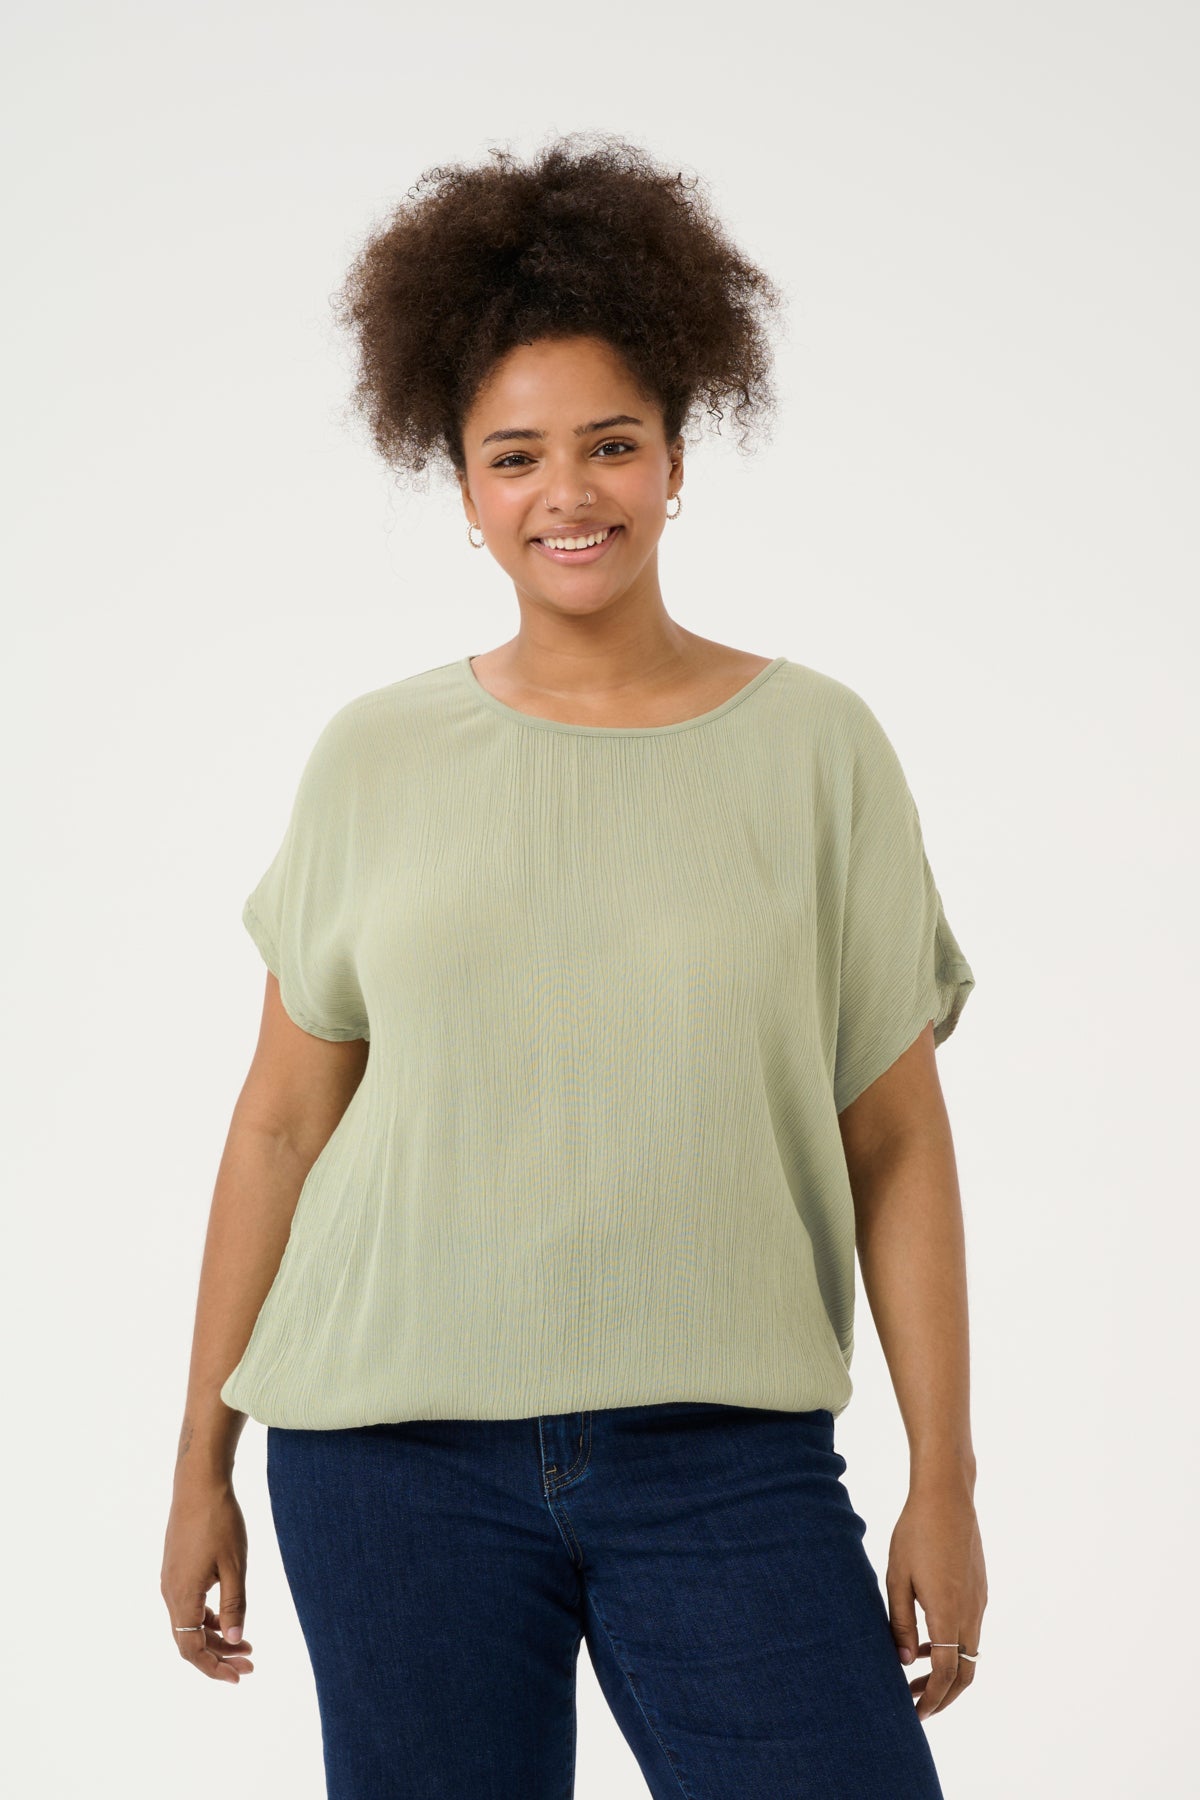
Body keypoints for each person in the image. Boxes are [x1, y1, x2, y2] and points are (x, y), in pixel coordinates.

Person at [161, 130, 987, 1800]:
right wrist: (200, 1463)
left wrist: (946, 1481)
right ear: (463, 489)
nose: (570, 493)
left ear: (679, 454)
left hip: (726, 1457)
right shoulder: (375, 757)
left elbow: (894, 1136)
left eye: (611, 444)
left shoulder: (818, 750)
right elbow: (281, 1124)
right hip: (386, 1461)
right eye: (515, 456)